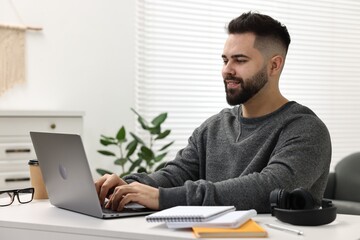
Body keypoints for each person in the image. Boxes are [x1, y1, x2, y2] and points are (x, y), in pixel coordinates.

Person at [95, 12, 331, 213]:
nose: (226, 70)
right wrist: (126, 187)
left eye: (239, 60)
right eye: (225, 60)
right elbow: (177, 173)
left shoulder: (306, 129)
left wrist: (163, 198)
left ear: (274, 65)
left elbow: (271, 187)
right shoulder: (215, 126)